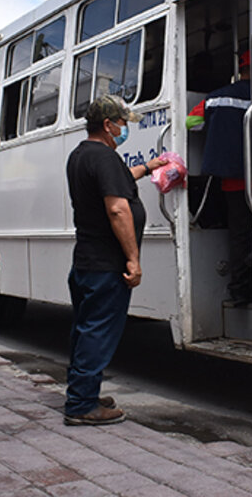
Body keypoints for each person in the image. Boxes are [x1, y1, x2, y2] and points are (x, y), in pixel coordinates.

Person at [64, 94, 167, 426]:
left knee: (85, 329)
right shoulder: (106, 159)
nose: (125, 129)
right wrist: (133, 260)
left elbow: (115, 181)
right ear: (108, 125)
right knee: (97, 333)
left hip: (86, 261)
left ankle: (85, 391)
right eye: (123, 123)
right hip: (106, 264)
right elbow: (116, 208)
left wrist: (148, 167)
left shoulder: (82, 155)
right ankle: (81, 405)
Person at [186, 50, 252, 306]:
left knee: (239, 236)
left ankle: (240, 291)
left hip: (233, 181)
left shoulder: (216, 98)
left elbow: (191, 123)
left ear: (240, 68)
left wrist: (216, 128)